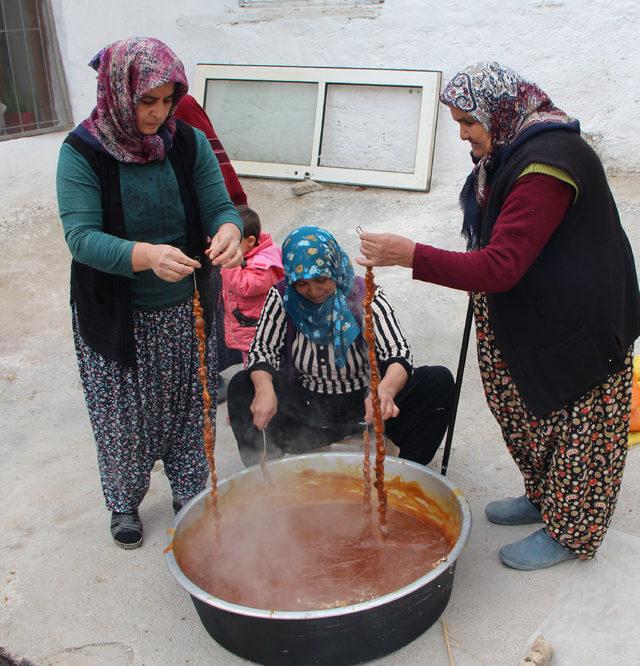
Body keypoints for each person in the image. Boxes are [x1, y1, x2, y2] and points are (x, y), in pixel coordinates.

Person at [358, 62, 640, 570]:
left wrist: (411, 254)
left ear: (500, 110)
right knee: (522, 410)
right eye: (458, 122)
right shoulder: (509, 149)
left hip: (579, 321)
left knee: (579, 427)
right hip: (528, 309)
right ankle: (544, 497)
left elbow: (504, 264)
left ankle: (572, 531)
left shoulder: (547, 166)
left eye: (469, 122)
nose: (463, 134)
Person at [56, 37, 243, 549]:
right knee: (123, 415)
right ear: (118, 92)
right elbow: (81, 237)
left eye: (167, 100)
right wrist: (146, 256)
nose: (159, 114)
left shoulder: (187, 142)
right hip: (117, 312)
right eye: (147, 101)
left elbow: (219, 206)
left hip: (187, 307)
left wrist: (227, 231)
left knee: (190, 404)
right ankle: (124, 503)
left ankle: (190, 494)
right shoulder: (82, 153)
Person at [227, 226, 454, 467]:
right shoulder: (283, 296)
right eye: (301, 284)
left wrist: (385, 391)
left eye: (321, 279)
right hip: (306, 406)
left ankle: (407, 472)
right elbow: (263, 350)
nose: (313, 292)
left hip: (367, 403)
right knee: (242, 385)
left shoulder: (364, 295)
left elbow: (397, 352)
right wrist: (264, 390)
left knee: (438, 381)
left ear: (334, 269)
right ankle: (268, 477)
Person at [175, 94, 248, 399]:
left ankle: (206, 374)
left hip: (200, 226)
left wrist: (230, 219)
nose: (157, 110)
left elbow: (214, 169)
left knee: (207, 300)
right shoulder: (100, 135)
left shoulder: (182, 107)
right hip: (157, 244)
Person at [221, 205, 285, 365]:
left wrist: (229, 264)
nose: (226, 247)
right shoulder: (249, 252)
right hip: (246, 324)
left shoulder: (264, 265)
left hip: (255, 329)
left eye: (232, 243)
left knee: (257, 362)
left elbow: (244, 286)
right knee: (249, 360)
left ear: (250, 241)